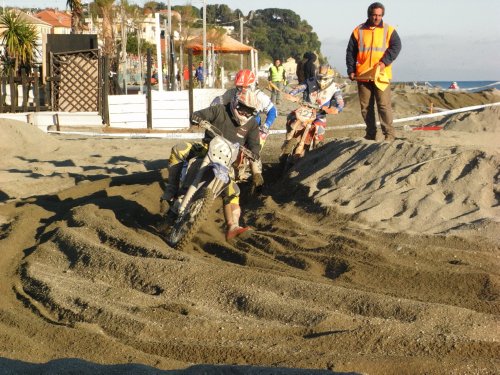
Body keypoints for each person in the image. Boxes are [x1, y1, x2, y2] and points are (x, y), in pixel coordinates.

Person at [161, 90, 261, 241]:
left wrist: (254, 155)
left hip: (228, 161)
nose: (244, 113)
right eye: (243, 108)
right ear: (235, 103)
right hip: (206, 149)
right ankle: (171, 190)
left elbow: (255, 145)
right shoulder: (220, 110)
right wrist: (197, 118)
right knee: (178, 149)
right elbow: (198, 114)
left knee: (233, 191)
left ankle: (233, 226)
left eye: (249, 111)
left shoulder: (252, 124)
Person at [211, 69, 278, 189]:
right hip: (233, 126)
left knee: (254, 154)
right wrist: (213, 110)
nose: (241, 90)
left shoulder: (260, 96)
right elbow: (218, 101)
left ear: (252, 85)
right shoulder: (231, 93)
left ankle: (257, 179)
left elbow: (273, 111)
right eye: (239, 87)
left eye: (244, 87)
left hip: (253, 129)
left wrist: (266, 126)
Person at [346, 2, 402, 141]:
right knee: (366, 107)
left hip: (381, 75)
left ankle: (389, 135)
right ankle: (371, 134)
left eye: (379, 15)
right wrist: (351, 69)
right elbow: (350, 52)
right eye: (374, 15)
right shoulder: (358, 30)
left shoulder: (389, 30)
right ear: (369, 15)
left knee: (383, 105)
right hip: (363, 75)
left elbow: (396, 46)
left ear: (382, 15)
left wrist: (384, 62)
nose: (377, 18)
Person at [282, 64, 344, 149]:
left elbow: (340, 101)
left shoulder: (335, 87)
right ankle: (287, 140)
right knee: (291, 117)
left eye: (324, 78)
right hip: (305, 109)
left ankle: (316, 153)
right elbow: (300, 87)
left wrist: (336, 109)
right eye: (319, 77)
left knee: (319, 135)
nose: (321, 80)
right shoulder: (310, 81)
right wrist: (292, 94)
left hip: (320, 114)